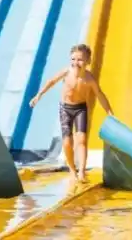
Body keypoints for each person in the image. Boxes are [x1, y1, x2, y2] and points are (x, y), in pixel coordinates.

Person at [29, 43, 113, 184]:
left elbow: (100, 94)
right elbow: (51, 81)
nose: (76, 63)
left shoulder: (89, 79)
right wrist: (38, 95)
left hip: (81, 109)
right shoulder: (66, 72)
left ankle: (81, 171)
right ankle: (72, 170)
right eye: (73, 59)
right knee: (67, 143)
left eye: (80, 59)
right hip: (65, 109)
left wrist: (109, 112)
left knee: (82, 140)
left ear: (88, 61)